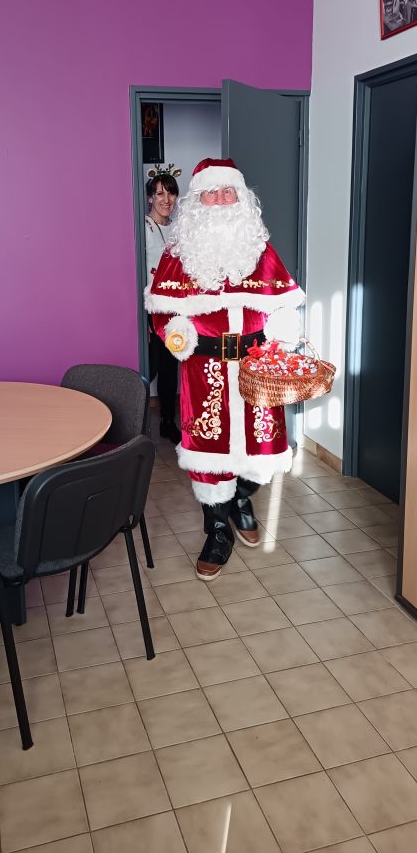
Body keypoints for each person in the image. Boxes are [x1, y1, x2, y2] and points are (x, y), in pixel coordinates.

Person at [145, 157, 305, 580]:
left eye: (228, 191)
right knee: (208, 451)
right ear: (198, 200)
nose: (220, 200)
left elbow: (284, 302)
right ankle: (217, 530)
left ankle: (241, 498)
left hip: (256, 366)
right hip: (204, 370)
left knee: (262, 449)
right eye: (211, 193)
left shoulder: (260, 249)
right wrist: (180, 334)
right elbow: (162, 312)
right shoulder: (178, 254)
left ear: (241, 198)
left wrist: (284, 332)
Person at [145, 171, 182, 444]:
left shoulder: (179, 230)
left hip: (175, 309)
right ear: (150, 198)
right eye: (159, 193)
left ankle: (168, 422)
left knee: (171, 369)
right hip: (151, 310)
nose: (166, 199)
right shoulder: (142, 229)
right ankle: (135, 427)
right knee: (150, 368)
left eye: (170, 193)